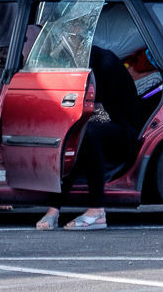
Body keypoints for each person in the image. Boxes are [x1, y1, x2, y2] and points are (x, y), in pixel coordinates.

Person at [35, 44, 141, 231]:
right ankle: (54, 209)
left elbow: (102, 114)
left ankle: (96, 210)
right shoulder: (83, 61)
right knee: (73, 135)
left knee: (84, 135)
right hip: (101, 125)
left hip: (124, 132)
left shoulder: (105, 64)